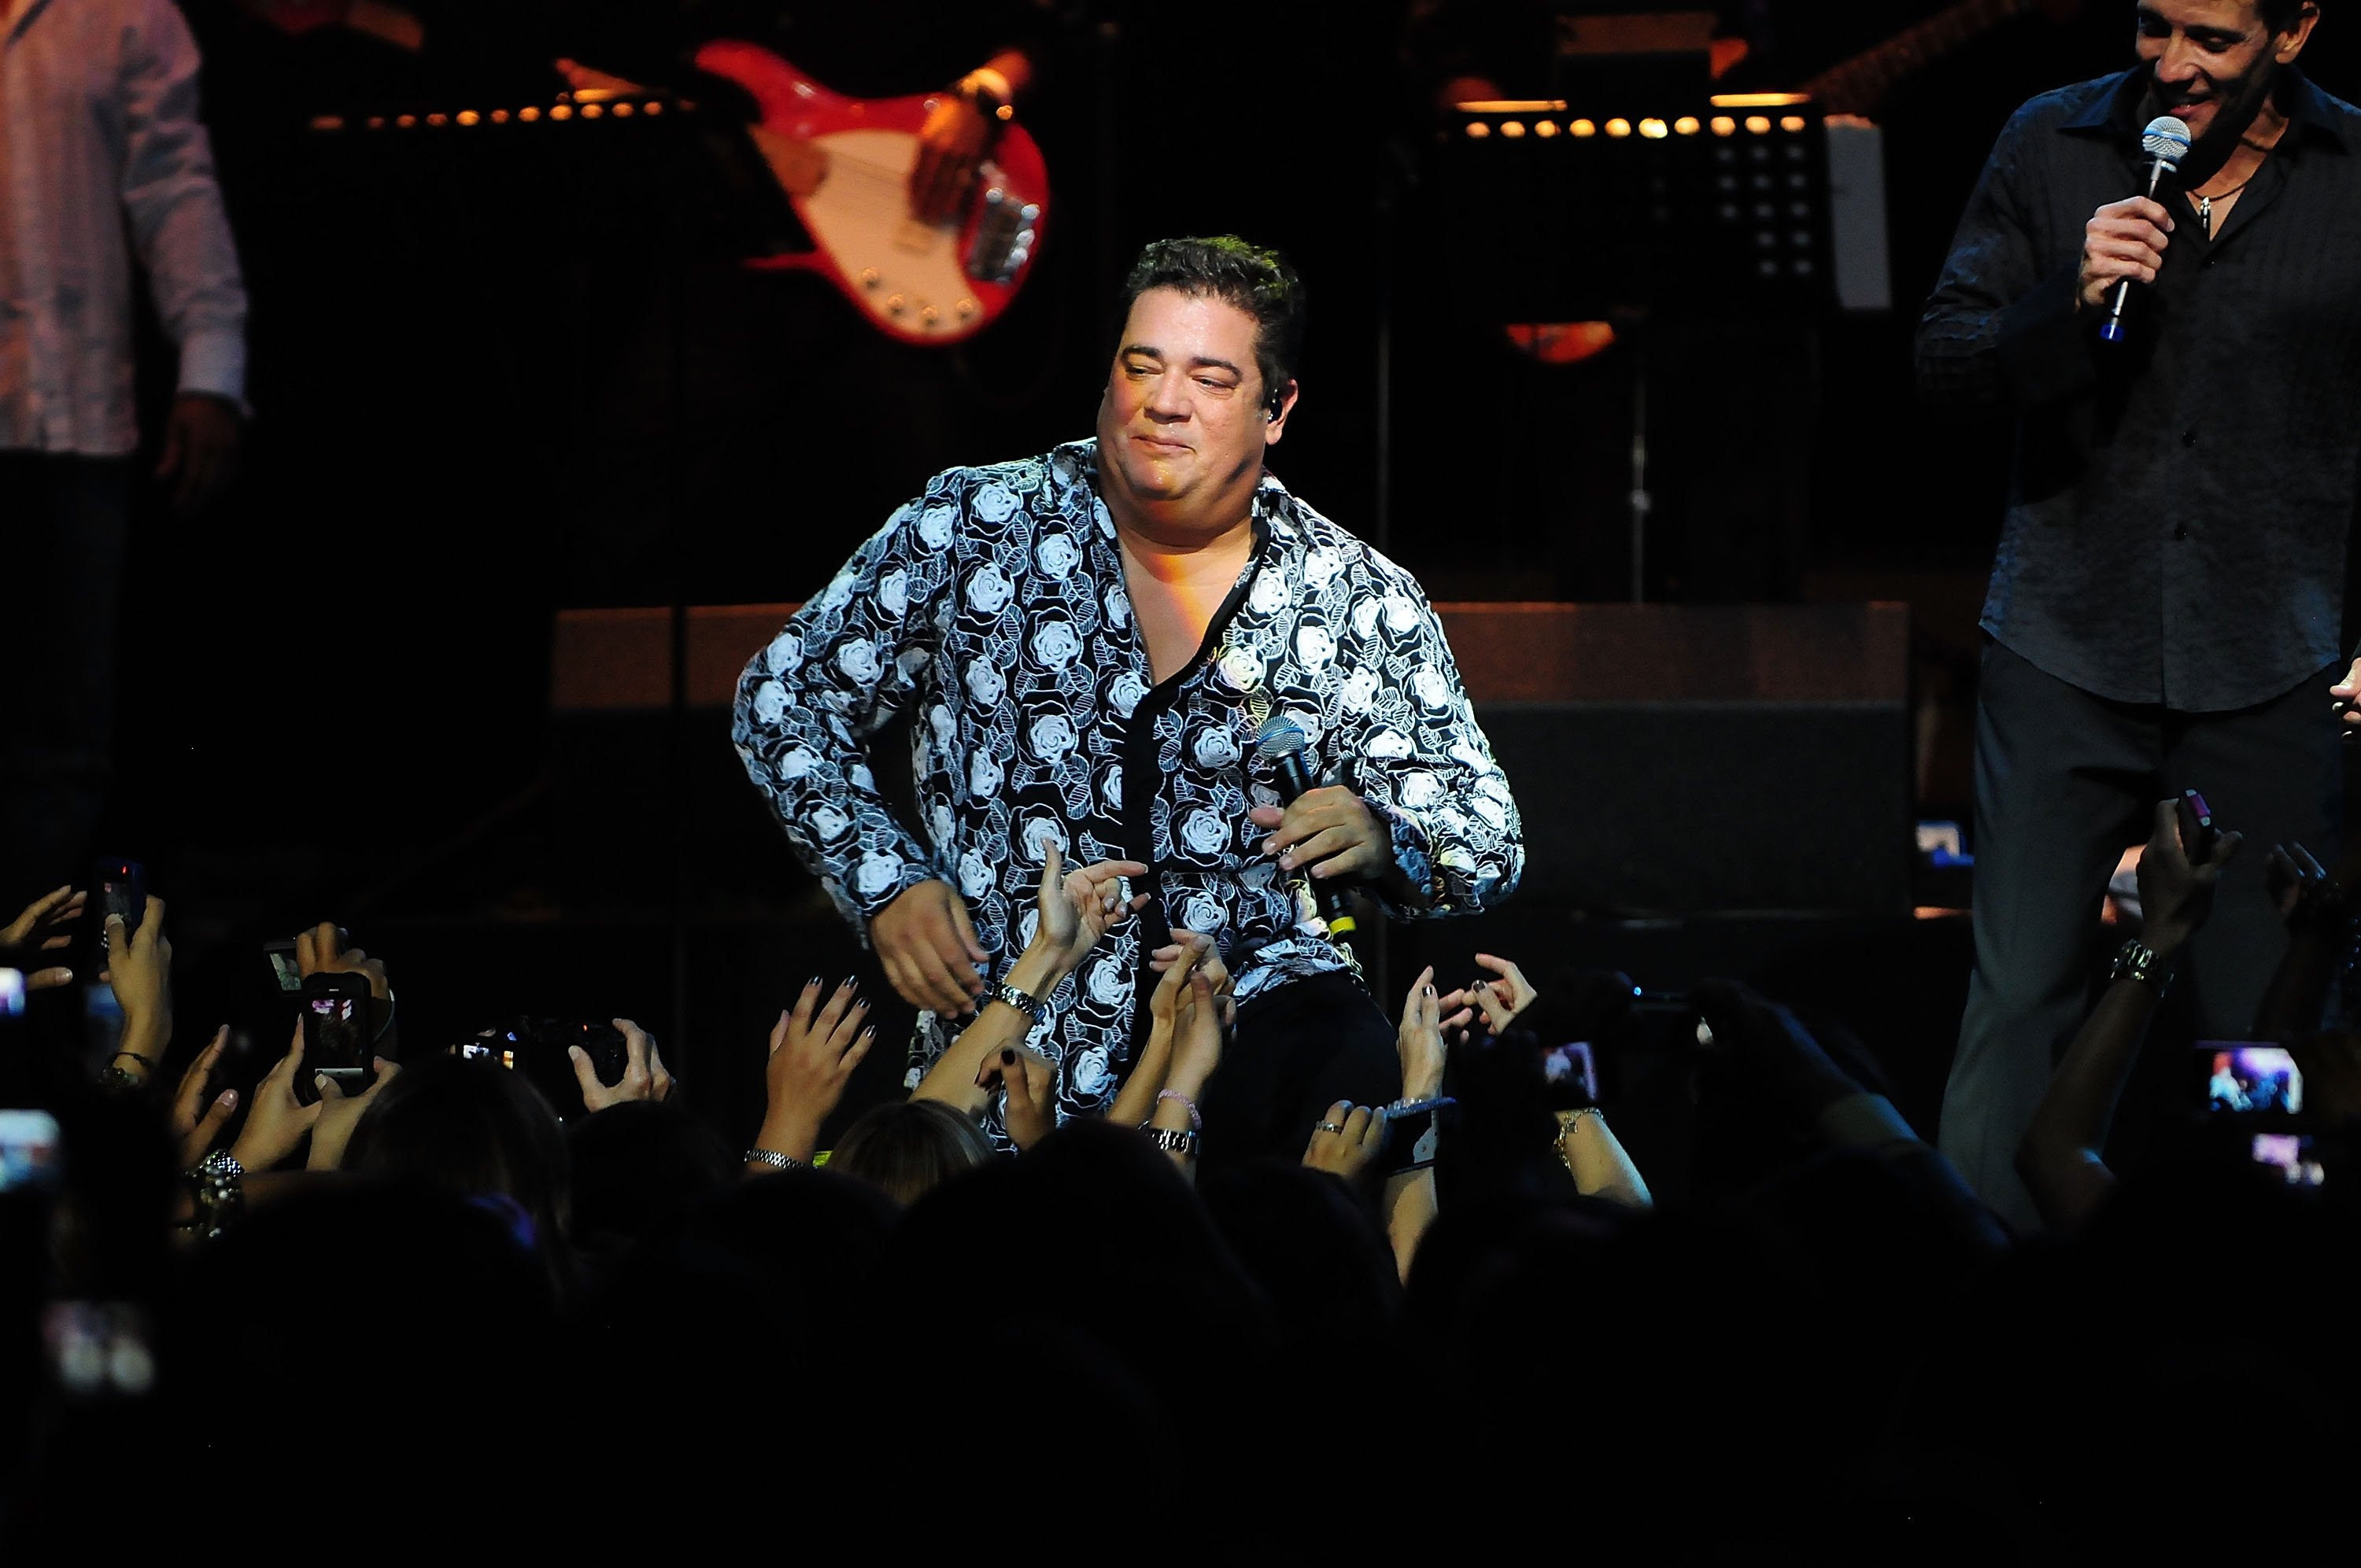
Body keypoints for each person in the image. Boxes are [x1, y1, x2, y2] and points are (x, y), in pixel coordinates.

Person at [732, 234, 1524, 1162]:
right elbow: (785, 698)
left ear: (1278, 408)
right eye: (1140, 364)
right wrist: (884, 882)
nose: (1164, 402)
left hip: (1255, 1070)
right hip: (1016, 1062)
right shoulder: (976, 527)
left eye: (1211, 379)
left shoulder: (1351, 591)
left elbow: (1487, 832)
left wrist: (1387, 831)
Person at [1916, 0, 2358, 1230]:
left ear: (2295, 30)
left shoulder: (2353, 172)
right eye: (2154, 27)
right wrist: (2067, 298)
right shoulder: (2052, 142)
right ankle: (1986, 1312)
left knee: (2274, 1009)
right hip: (2065, 637)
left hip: (2275, 655)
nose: (2172, 65)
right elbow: (1944, 363)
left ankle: (2281, 1328)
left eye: (2211, 39)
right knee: (2019, 1001)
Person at [1, 0, 248, 884]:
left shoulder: (117, 10)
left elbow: (174, 181)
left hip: (70, 423)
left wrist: (211, 362)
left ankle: (27, 997)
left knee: (62, 750)